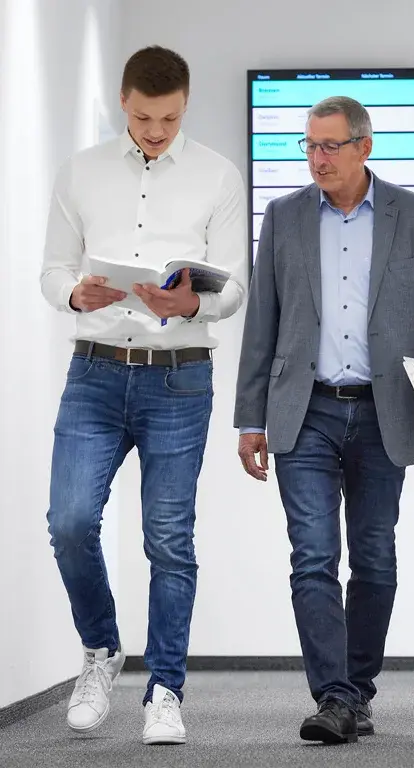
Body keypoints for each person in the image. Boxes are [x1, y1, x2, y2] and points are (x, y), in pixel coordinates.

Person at [232, 95, 414, 744]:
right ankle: (334, 696)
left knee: (374, 558)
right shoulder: (282, 219)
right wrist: (248, 419)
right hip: (302, 410)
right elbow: (263, 325)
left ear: (364, 147)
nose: (317, 158)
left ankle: (357, 693)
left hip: (382, 411)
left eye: (330, 146)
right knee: (312, 557)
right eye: (309, 146)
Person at [40, 45, 248, 747]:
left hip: (178, 377)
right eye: (142, 116)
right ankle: (101, 652)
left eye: (168, 117)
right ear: (120, 103)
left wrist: (192, 303)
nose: (155, 130)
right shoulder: (81, 172)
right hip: (94, 371)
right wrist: (75, 290)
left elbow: (236, 287)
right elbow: (52, 269)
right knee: (69, 522)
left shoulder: (218, 175)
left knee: (168, 540)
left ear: (185, 106)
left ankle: (165, 691)